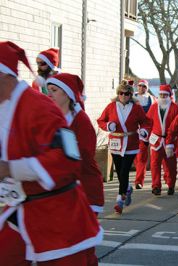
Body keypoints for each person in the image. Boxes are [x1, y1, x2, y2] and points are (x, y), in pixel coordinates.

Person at [0, 41, 102, 265]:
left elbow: (68, 158)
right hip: (22, 209)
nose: (51, 93)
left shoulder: (39, 107)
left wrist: (10, 168)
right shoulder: (5, 106)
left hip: (58, 216)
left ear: (3, 75)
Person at [47, 73, 104, 214]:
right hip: (62, 188)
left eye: (54, 91)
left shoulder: (81, 121)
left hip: (84, 187)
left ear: (67, 94)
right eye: (49, 91)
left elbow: (83, 156)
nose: (50, 95)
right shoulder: (54, 118)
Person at [97, 80, 151, 214]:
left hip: (131, 142)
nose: (124, 96)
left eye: (127, 94)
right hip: (115, 142)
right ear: (118, 93)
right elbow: (101, 120)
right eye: (121, 93)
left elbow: (145, 122)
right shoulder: (111, 106)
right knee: (119, 169)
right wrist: (108, 126)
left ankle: (120, 200)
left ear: (131, 94)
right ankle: (127, 188)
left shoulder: (137, 108)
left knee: (124, 171)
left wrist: (144, 131)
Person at [146, 84, 178, 196]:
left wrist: (176, 138)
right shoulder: (153, 107)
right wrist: (145, 134)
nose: (163, 97)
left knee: (170, 165)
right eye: (161, 95)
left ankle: (171, 184)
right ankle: (156, 186)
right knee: (154, 164)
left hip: (169, 141)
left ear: (169, 96)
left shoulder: (175, 108)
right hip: (156, 140)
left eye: (165, 95)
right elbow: (148, 122)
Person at [133, 79, 156, 189]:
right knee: (135, 157)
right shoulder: (131, 97)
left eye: (144, 86)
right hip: (131, 131)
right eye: (140, 86)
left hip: (144, 131)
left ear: (147, 88)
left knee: (142, 156)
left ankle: (139, 181)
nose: (142, 88)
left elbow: (153, 117)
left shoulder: (151, 99)